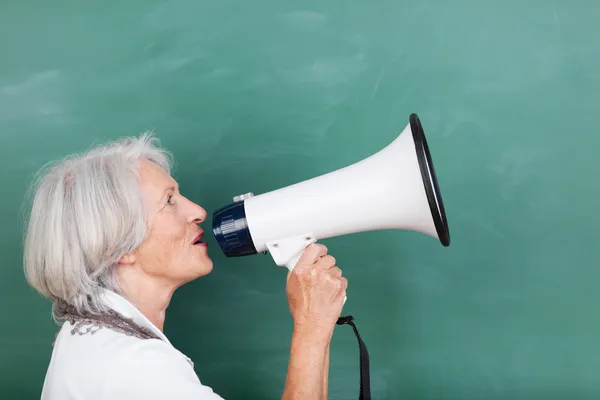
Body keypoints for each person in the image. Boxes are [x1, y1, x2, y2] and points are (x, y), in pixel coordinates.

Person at [23, 133, 348, 400]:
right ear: (120, 245)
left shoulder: (89, 338)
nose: (198, 211)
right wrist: (312, 328)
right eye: (169, 201)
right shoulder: (135, 367)